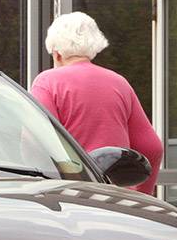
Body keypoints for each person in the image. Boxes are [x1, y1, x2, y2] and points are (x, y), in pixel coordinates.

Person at [30, 11, 162, 195]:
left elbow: (36, 141)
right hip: (117, 196)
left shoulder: (47, 82)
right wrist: (141, 194)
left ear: (57, 54)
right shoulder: (119, 82)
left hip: (71, 196)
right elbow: (152, 147)